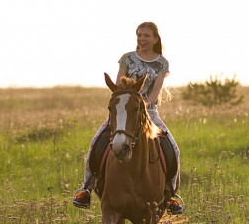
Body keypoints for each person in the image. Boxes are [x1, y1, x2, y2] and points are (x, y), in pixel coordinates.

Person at [72, 22, 184, 214]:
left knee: (173, 147)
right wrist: (124, 103)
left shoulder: (161, 63)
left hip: (149, 111)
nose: (142, 39)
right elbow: (118, 84)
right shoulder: (127, 59)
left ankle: (170, 193)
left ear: (155, 39)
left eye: (146, 36)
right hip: (123, 111)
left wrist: (142, 105)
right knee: (95, 141)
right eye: (139, 35)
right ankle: (86, 188)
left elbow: (156, 91)